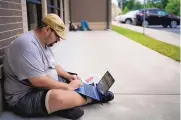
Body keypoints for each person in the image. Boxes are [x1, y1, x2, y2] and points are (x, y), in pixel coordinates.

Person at [3, 14, 114, 119]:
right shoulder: (27, 45)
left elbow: (54, 65)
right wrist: (68, 87)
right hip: (24, 97)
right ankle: (93, 97)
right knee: (59, 97)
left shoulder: (44, 43)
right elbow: (39, 81)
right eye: (57, 36)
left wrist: (68, 77)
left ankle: (82, 94)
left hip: (41, 87)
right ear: (47, 30)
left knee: (72, 76)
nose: (58, 40)